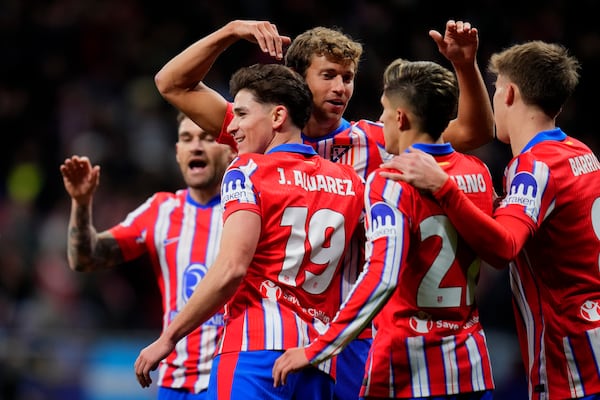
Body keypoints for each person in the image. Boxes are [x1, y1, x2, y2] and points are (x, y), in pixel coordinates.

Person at [152, 18, 494, 400]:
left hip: (354, 331)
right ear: (297, 78)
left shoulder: (376, 140)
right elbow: (171, 83)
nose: (341, 88)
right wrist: (229, 31)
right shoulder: (261, 125)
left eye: (347, 78)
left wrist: (465, 65)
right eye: (328, 75)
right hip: (275, 327)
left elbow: (474, 133)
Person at [134, 63, 365, 400]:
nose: (233, 126)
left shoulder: (246, 169)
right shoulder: (349, 182)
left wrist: (169, 337)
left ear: (277, 117)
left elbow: (231, 269)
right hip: (317, 359)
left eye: (242, 114)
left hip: (253, 351)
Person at [383, 41, 600, 399]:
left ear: (509, 93)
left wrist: (444, 187)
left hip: (570, 358)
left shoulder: (534, 167)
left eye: (496, 90)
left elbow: (503, 247)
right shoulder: (582, 154)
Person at [272, 58, 496, 399]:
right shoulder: (478, 172)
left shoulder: (390, 180)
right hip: (471, 366)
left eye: (384, 112)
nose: (381, 121)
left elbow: (383, 276)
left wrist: (319, 348)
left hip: (405, 367)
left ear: (401, 118)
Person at [60, 113, 235, 399]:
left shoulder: (246, 211)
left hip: (231, 378)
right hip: (174, 380)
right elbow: (86, 258)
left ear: (230, 150)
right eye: (187, 139)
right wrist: (81, 203)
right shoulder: (161, 210)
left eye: (207, 138)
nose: (196, 147)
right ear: (178, 152)